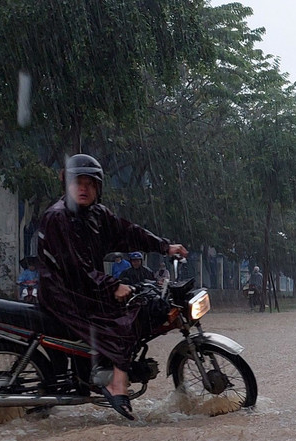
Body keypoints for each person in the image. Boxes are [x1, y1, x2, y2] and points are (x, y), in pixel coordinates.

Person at [36, 154, 188, 420]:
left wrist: (164, 246)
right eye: (78, 183)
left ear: (98, 188)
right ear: (67, 185)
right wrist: (111, 285)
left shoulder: (96, 214)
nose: (83, 189)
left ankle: (104, 371)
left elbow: (129, 232)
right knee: (126, 319)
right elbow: (74, 267)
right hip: (64, 293)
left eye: (90, 184)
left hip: (83, 288)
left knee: (139, 303)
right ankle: (116, 382)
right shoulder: (57, 217)